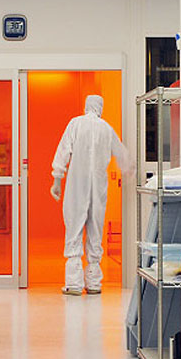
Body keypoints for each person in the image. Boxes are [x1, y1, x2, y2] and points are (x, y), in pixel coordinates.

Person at [50, 95, 134, 296]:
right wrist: (130, 173)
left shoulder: (76, 124)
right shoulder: (106, 128)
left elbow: (63, 151)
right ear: (100, 108)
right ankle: (94, 283)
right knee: (95, 228)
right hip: (98, 187)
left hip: (77, 185)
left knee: (74, 227)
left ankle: (74, 283)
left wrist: (57, 180)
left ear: (86, 105)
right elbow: (123, 156)